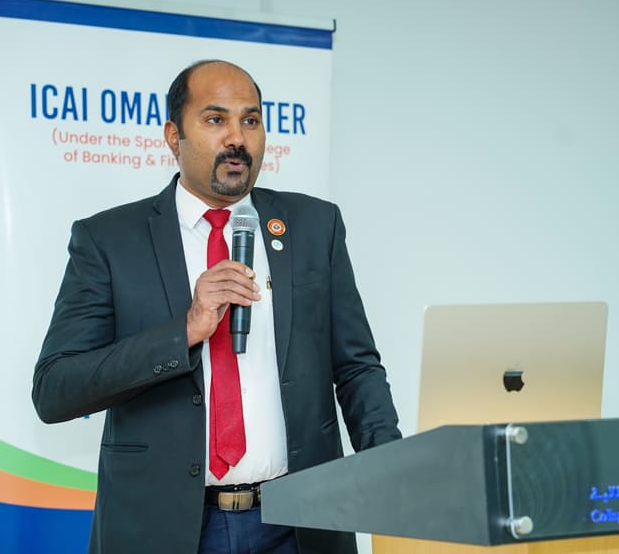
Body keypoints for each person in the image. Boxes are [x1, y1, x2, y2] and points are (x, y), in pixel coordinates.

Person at [32, 59, 402, 554]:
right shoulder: (108, 240)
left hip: (299, 525)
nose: (237, 138)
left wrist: (392, 468)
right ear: (173, 135)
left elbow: (356, 367)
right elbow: (55, 390)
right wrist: (184, 331)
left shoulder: (315, 226)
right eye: (215, 119)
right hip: (165, 529)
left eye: (250, 120)